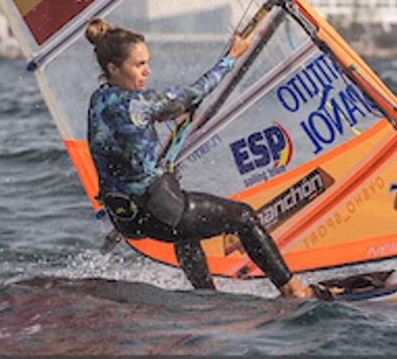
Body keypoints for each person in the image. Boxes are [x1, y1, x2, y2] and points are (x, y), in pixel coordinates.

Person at [84, 17, 328, 300]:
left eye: (146, 62)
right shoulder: (142, 103)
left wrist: (171, 112)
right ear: (113, 68)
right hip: (159, 210)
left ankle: (207, 297)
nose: (147, 71)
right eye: (139, 65)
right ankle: (293, 290)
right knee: (245, 217)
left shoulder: (98, 100)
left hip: (126, 219)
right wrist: (231, 57)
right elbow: (196, 92)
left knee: (187, 230)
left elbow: (128, 130)